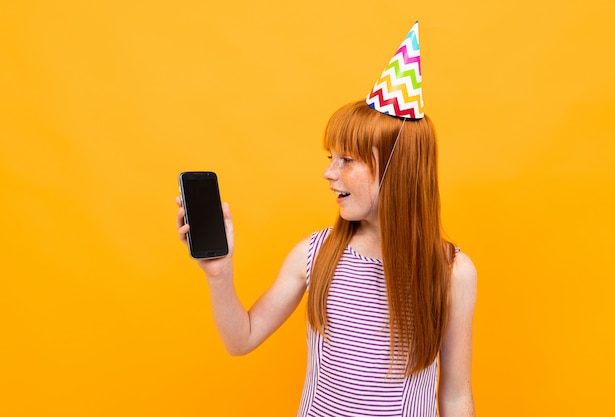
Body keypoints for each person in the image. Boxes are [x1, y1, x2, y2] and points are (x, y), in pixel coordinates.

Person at [176, 22, 476, 417]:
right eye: (329, 158)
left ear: (397, 169)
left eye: (346, 160)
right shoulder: (315, 254)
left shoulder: (451, 271)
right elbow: (241, 339)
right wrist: (219, 274)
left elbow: (454, 395)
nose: (329, 173)